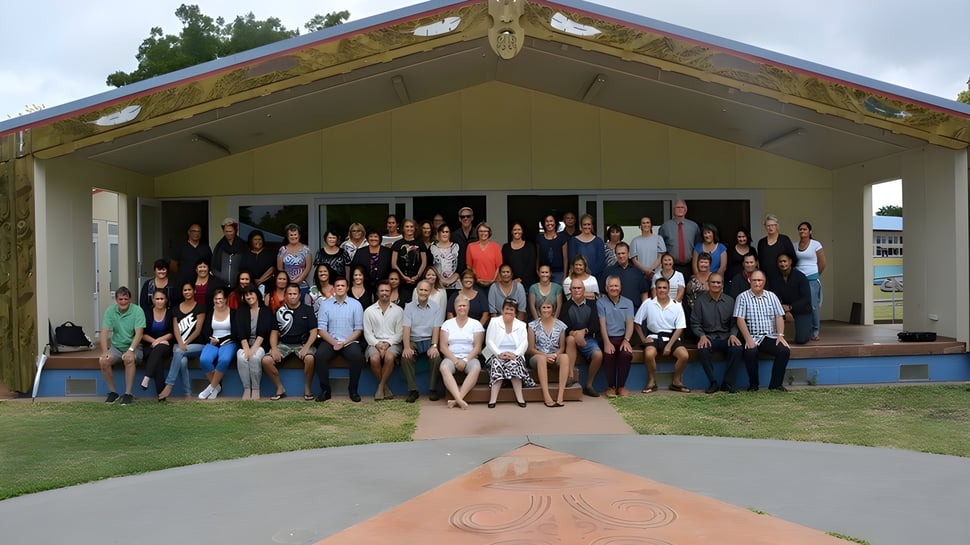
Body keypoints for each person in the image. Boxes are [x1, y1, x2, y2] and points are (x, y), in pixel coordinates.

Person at [734, 270, 790, 391]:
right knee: (750, 352)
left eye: (760, 280)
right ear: (749, 280)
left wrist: (780, 335)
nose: (757, 283)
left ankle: (775, 385)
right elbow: (740, 319)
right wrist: (748, 339)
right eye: (754, 280)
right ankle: (754, 385)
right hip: (752, 336)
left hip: (770, 336)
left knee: (784, 351)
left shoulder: (772, 296)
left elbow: (779, 316)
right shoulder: (742, 297)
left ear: (764, 282)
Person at [262, 283, 318, 401]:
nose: (292, 296)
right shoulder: (279, 311)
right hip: (284, 344)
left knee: (310, 358)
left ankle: (307, 388)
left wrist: (307, 347)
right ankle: (279, 387)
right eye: (290, 294)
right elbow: (274, 333)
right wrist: (275, 348)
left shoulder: (307, 310)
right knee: (266, 360)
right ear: (286, 295)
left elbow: (314, 332)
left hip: (302, 344)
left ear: (299, 295)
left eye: (295, 294)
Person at [634, 277, 690, 394]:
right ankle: (652, 381)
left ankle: (676, 381)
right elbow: (637, 323)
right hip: (654, 336)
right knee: (649, 354)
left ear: (669, 289)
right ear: (655, 289)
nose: (662, 290)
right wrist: (644, 339)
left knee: (684, 355)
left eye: (664, 288)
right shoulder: (648, 303)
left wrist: (669, 346)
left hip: (672, 337)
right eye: (659, 288)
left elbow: (680, 328)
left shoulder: (676, 305)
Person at [689, 273, 742, 393]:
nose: (716, 285)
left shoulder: (730, 301)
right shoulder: (700, 301)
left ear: (722, 285)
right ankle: (713, 382)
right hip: (708, 337)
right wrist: (701, 336)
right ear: (708, 284)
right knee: (702, 349)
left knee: (737, 348)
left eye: (718, 282)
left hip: (726, 337)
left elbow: (735, 323)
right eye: (713, 282)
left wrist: (733, 334)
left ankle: (727, 383)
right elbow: (695, 323)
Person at [315, 277, 365, 402]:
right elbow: (321, 329)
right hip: (330, 340)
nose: (340, 288)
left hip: (349, 341)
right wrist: (334, 343)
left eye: (343, 285)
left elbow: (358, 330)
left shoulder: (356, 304)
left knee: (357, 356)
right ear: (334, 288)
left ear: (347, 288)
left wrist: (343, 343)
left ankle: (353, 390)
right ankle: (325, 391)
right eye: (338, 286)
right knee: (320, 356)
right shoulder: (325, 305)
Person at [484, 298, 536, 408]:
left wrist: (515, 354)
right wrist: (499, 354)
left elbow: (524, 343)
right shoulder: (494, 322)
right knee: (497, 364)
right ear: (502, 310)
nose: (509, 311)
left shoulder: (521, 325)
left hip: (515, 354)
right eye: (507, 309)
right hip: (496, 354)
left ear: (515, 312)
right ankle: (492, 399)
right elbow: (489, 341)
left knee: (514, 363)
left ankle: (520, 397)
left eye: (512, 310)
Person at [159, 282, 205, 401]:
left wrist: (185, 344)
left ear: (194, 291)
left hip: (196, 345)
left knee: (179, 352)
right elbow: (175, 329)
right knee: (182, 361)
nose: (187, 292)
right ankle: (188, 393)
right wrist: (180, 343)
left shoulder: (200, 307)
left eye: (189, 289)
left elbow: (197, 330)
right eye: (185, 290)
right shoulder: (175, 309)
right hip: (179, 345)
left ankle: (169, 385)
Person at [98, 287, 145, 405]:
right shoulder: (110, 311)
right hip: (116, 347)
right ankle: (113, 393)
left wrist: (130, 350)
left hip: (134, 346)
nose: (123, 302)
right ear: (116, 300)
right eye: (120, 299)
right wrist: (104, 352)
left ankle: (128, 393)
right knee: (103, 361)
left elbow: (139, 334)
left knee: (129, 358)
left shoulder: (137, 310)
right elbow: (104, 332)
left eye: (126, 299)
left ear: (130, 299)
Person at [438, 294, 484, 409]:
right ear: (455, 307)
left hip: (470, 357)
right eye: (459, 306)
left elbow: (477, 347)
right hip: (451, 357)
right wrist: (455, 360)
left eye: (464, 305)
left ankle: (457, 399)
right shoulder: (447, 324)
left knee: (476, 368)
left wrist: (465, 360)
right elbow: (443, 347)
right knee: (444, 367)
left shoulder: (476, 324)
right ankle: (459, 399)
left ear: (468, 307)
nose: (462, 308)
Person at [401, 280, 444, 402]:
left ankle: (432, 389)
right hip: (414, 340)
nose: (423, 292)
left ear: (430, 292)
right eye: (421, 290)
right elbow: (406, 329)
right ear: (416, 291)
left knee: (436, 358)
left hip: (429, 340)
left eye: (426, 290)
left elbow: (437, 328)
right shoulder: (409, 307)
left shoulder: (436, 307)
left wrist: (434, 345)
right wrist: (407, 347)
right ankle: (413, 390)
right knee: (405, 357)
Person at [364, 280, 404, 401]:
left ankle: (380, 387)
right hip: (374, 342)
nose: (384, 293)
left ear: (391, 293)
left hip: (393, 342)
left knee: (389, 357)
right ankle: (385, 387)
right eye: (382, 291)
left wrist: (387, 344)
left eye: (387, 291)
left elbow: (400, 333)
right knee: (374, 358)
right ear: (377, 293)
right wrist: (378, 345)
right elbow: (367, 333)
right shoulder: (369, 311)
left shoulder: (399, 311)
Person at [561, 282, 603, 397]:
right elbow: (563, 327)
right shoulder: (566, 306)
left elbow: (595, 325)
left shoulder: (592, 304)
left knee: (598, 355)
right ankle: (570, 376)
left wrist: (583, 332)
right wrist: (575, 333)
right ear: (570, 290)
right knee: (570, 339)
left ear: (584, 289)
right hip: (571, 339)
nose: (576, 290)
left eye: (579, 288)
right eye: (574, 288)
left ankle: (589, 385)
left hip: (588, 338)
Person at [597, 276, 635, 397]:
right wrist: (607, 342)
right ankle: (611, 387)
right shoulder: (600, 302)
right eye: (611, 286)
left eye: (616, 286)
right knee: (609, 354)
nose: (614, 288)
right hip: (607, 338)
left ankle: (621, 387)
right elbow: (602, 324)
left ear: (621, 287)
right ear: (606, 288)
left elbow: (630, 323)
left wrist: (626, 340)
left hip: (623, 338)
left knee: (626, 354)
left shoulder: (628, 303)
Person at [235, 285, 274, 400]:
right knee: (241, 358)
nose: (249, 297)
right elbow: (240, 330)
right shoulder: (241, 310)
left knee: (255, 358)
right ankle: (247, 388)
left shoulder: (265, 311)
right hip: (244, 343)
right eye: (246, 295)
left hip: (260, 344)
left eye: (251, 294)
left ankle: (256, 388)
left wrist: (253, 350)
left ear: (257, 294)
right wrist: (246, 348)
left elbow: (263, 332)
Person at [528, 300, 570, 407]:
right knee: (541, 359)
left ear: (553, 309)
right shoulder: (532, 325)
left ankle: (560, 396)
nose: (546, 310)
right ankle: (546, 396)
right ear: (539, 309)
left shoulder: (560, 325)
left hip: (554, 355)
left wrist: (555, 355)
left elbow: (562, 347)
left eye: (548, 307)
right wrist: (545, 356)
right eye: (544, 307)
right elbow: (530, 348)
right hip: (538, 357)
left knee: (565, 357)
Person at [198, 288, 236, 400]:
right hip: (213, 341)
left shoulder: (233, 313)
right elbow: (205, 330)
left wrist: (225, 339)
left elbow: (236, 332)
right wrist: (210, 340)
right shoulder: (210, 312)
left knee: (224, 360)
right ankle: (217, 387)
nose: (218, 301)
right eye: (216, 299)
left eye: (221, 298)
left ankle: (211, 387)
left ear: (225, 299)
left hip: (229, 342)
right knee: (204, 359)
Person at [769, 254, 812, 345]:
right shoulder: (775, 278)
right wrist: (785, 310)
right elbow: (773, 297)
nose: (783, 264)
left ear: (790, 262)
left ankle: (807, 329)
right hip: (783, 309)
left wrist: (791, 307)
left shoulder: (800, 277)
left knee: (801, 339)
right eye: (780, 262)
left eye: (785, 261)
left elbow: (806, 298)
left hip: (801, 310)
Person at [138, 289, 174, 396]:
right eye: (157, 299)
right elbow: (142, 333)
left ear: (166, 300)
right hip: (149, 345)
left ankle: (147, 376)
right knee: (157, 359)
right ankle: (161, 394)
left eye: (162, 299)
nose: (159, 301)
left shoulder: (170, 313)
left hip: (166, 345)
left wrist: (160, 340)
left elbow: (172, 332)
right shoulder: (146, 313)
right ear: (153, 300)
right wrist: (155, 341)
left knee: (160, 349)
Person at [795, 221, 827, 341]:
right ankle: (804, 329)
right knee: (800, 305)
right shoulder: (794, 245)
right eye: (800, 229)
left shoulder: (816, 244)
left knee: (813, 305)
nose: (802, 231)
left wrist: (816, 274)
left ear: (810, 231)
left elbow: (823, 262)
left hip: (812, 278)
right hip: (799, 279)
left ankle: (815, 330)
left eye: (805, 229)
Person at [658, 199, 700, 279]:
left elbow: (697, 246)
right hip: (671, 267)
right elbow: (660, 248)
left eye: (682, 207)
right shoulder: (665, 226)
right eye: (677, 207)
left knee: (689, 290)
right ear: (673, 210)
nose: (680, 209)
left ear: (686, 210)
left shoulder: (694, 226)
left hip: (689, 267)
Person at [391, 219, 427, 303]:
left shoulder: (420, 243)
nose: (409, 229)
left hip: (417, 279)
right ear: (403, 229)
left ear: (415, 228)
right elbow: (393, 263)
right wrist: (403, 277)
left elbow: (424, 262)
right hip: (402, 280)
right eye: (407, 226)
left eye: (411, 226)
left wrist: (417, 276)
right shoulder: (397, 244)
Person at [756, 214, 797, 284]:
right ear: (765, 227)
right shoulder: (761, 243)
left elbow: (793, 259)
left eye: (773, 225)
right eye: (768, 225)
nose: (770, 227)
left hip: (782, 278)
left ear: (777, 226)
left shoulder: (784, 240)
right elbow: (760, 261)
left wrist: (786, 274)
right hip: (766, 279)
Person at [277, 223, 313, 298]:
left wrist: (299, 280)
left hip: (302, 284)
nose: (293, 237)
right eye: (291, 235)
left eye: (295, 234)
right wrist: (286, 280)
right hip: (286, 285)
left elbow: (308, 267)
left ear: (299, 235)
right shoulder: (282, 249)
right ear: (287, 236)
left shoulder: (305, 249)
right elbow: (280, 268)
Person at [567, 213, 606, 281]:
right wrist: (582, 275)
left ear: (592, 225)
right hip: (578, 278)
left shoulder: (598, 241)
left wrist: (589, 277)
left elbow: (601, 262)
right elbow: (572, 260)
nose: (587, 227)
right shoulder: (573, 241)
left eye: (589, 224)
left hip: (595, 278)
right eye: (584, 224)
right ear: (581, 226)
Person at [464, 222, 502, 288]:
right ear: (477, 233)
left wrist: (493, 280)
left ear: (489, 232)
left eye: (485, 231)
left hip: (493, 284)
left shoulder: (496, 246)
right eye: (480, 231)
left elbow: (499, 266)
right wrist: (477, 279)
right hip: (476, 283)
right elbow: (469, 267)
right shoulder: (471, 246)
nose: (483, 233)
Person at [211, 217, 246, 288]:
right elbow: (214, 266)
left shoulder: (243, 246)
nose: (228, 233)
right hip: (222, 285)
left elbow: (247, 265)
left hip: (239, 285)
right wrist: (220, 277)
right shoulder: (219, 247)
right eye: (226, 231)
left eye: (230, 231)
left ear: (235, 231)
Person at [502, 221, 538, 288]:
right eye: (514, 230)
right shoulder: (506, 247)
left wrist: (521, 279)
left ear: (522, 231)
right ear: (511, 232)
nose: (517, 232)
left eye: (519, 229)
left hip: (528, 283)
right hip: (511, 283)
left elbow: (532, 264)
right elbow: (505, 265)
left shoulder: (530, 246)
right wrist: (513, 279)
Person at [629, 216, 665, 283]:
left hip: (656, 275)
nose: (646, 225)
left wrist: (652, 270)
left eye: (648, 223)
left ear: (651, 225)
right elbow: (634, 260)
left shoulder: (659, 239)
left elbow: (660, 257)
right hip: (641, 276)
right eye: (643, 223)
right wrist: (647, 271)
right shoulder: (635, 241)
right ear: (640, 226)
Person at [240, 230, 276, 295]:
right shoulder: (245, 255)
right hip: (250, 286)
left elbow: (273, 268)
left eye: (260, 239)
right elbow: (243, 270)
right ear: (251, 241)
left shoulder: (270, 253)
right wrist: (253, 281)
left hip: (268, 286)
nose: (258, 241)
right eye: (255, 239)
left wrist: (260, 280)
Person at [536, 213, 569, 284]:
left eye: (551, 221)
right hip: (544, 273)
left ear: (555, 222)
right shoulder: (539, 238)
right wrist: (537, 270)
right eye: (547, 221)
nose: (549, 223)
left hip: (559, 273)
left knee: (557, 294)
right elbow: (538, 256)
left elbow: (565, 259)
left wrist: (564, 276)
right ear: (544, 223)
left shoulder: (562, 238)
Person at [430, 223, 462, 289]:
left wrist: (451, 280)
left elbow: (461, 265)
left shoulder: (456, 247)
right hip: (437, 283)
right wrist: (440, 280)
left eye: (447, 232)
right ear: (438, 234)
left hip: (455, 283)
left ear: (450, 234)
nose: (445, 234)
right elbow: (430, 266)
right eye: (443, 232)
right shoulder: (432, 248)